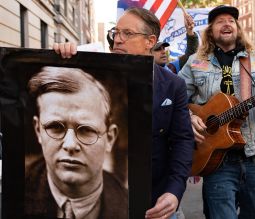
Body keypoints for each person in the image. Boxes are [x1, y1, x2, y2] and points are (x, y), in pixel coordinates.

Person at [54, 7, 194, 219]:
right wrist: (60, 59)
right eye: (115, 32)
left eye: (127, 33)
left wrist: (174, 191)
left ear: (150, 41)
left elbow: (183, 140)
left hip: (154, 202)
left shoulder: (173, 85)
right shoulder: (93, 73)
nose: (117, 40)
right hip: (101, 202)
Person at [178, 5, 255, 218]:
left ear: (237, 27)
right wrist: (189, 117)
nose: (226, 23)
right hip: (216, 160)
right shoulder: (195, 62)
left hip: (253, 156)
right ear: (210, 31)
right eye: (219, 21)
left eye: (231, 20)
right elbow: (175, 98)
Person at [25, 66, 128, 219]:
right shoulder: (14, 191)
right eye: (55, 127)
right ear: (38, 130)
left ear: (110, 138)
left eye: (86, 130)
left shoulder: (129, 206)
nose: (70, 145)